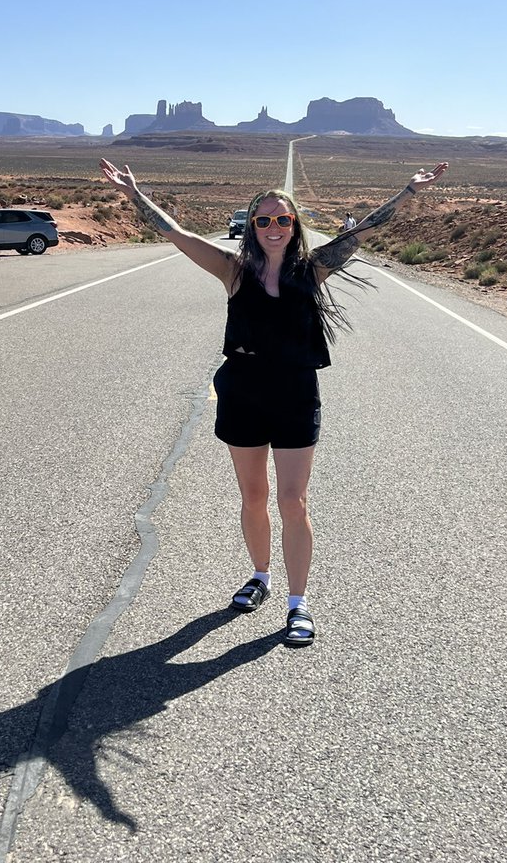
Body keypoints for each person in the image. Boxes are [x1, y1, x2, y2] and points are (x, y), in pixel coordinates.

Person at [100, 157, 448, 646]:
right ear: (252, 227)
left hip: (294, 393)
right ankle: (260, 577)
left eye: (283, 219)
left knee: (292, 499)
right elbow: (177, 233)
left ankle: (298, 603)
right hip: (242, 391)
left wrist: (409, 192)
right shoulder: (233, 271)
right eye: (263, 220)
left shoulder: (314, 270)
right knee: (254, 496)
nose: (273, 227)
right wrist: (133, 193)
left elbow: (366, 231)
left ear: (294, 225)